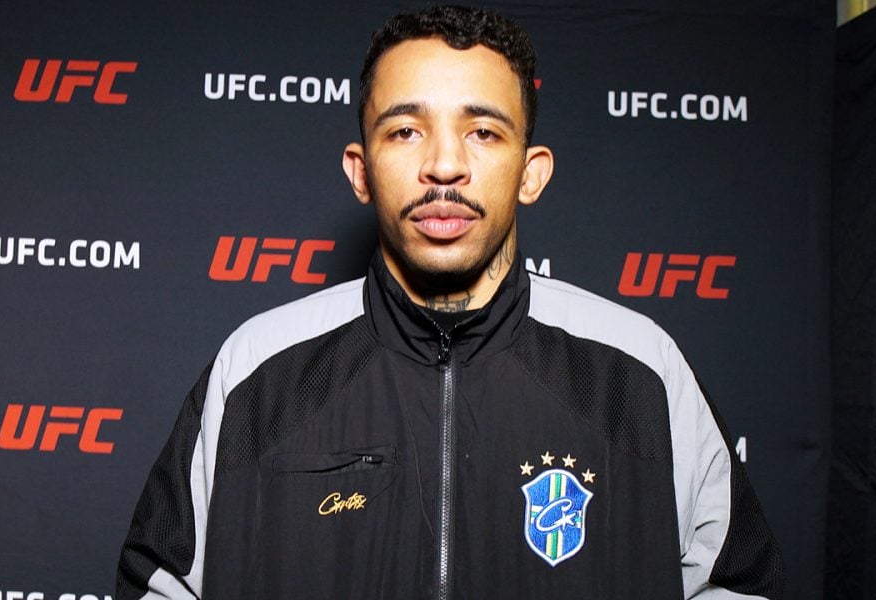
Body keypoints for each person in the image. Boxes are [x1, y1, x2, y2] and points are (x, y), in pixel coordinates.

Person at [117, 5, 783, 599]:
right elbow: (160, 584)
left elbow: (736, 581)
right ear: (360, 170)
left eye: (483, 132)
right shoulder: (257, 370)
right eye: (405, 130)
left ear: (531, 172)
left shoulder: (639, 371)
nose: (443, 166)